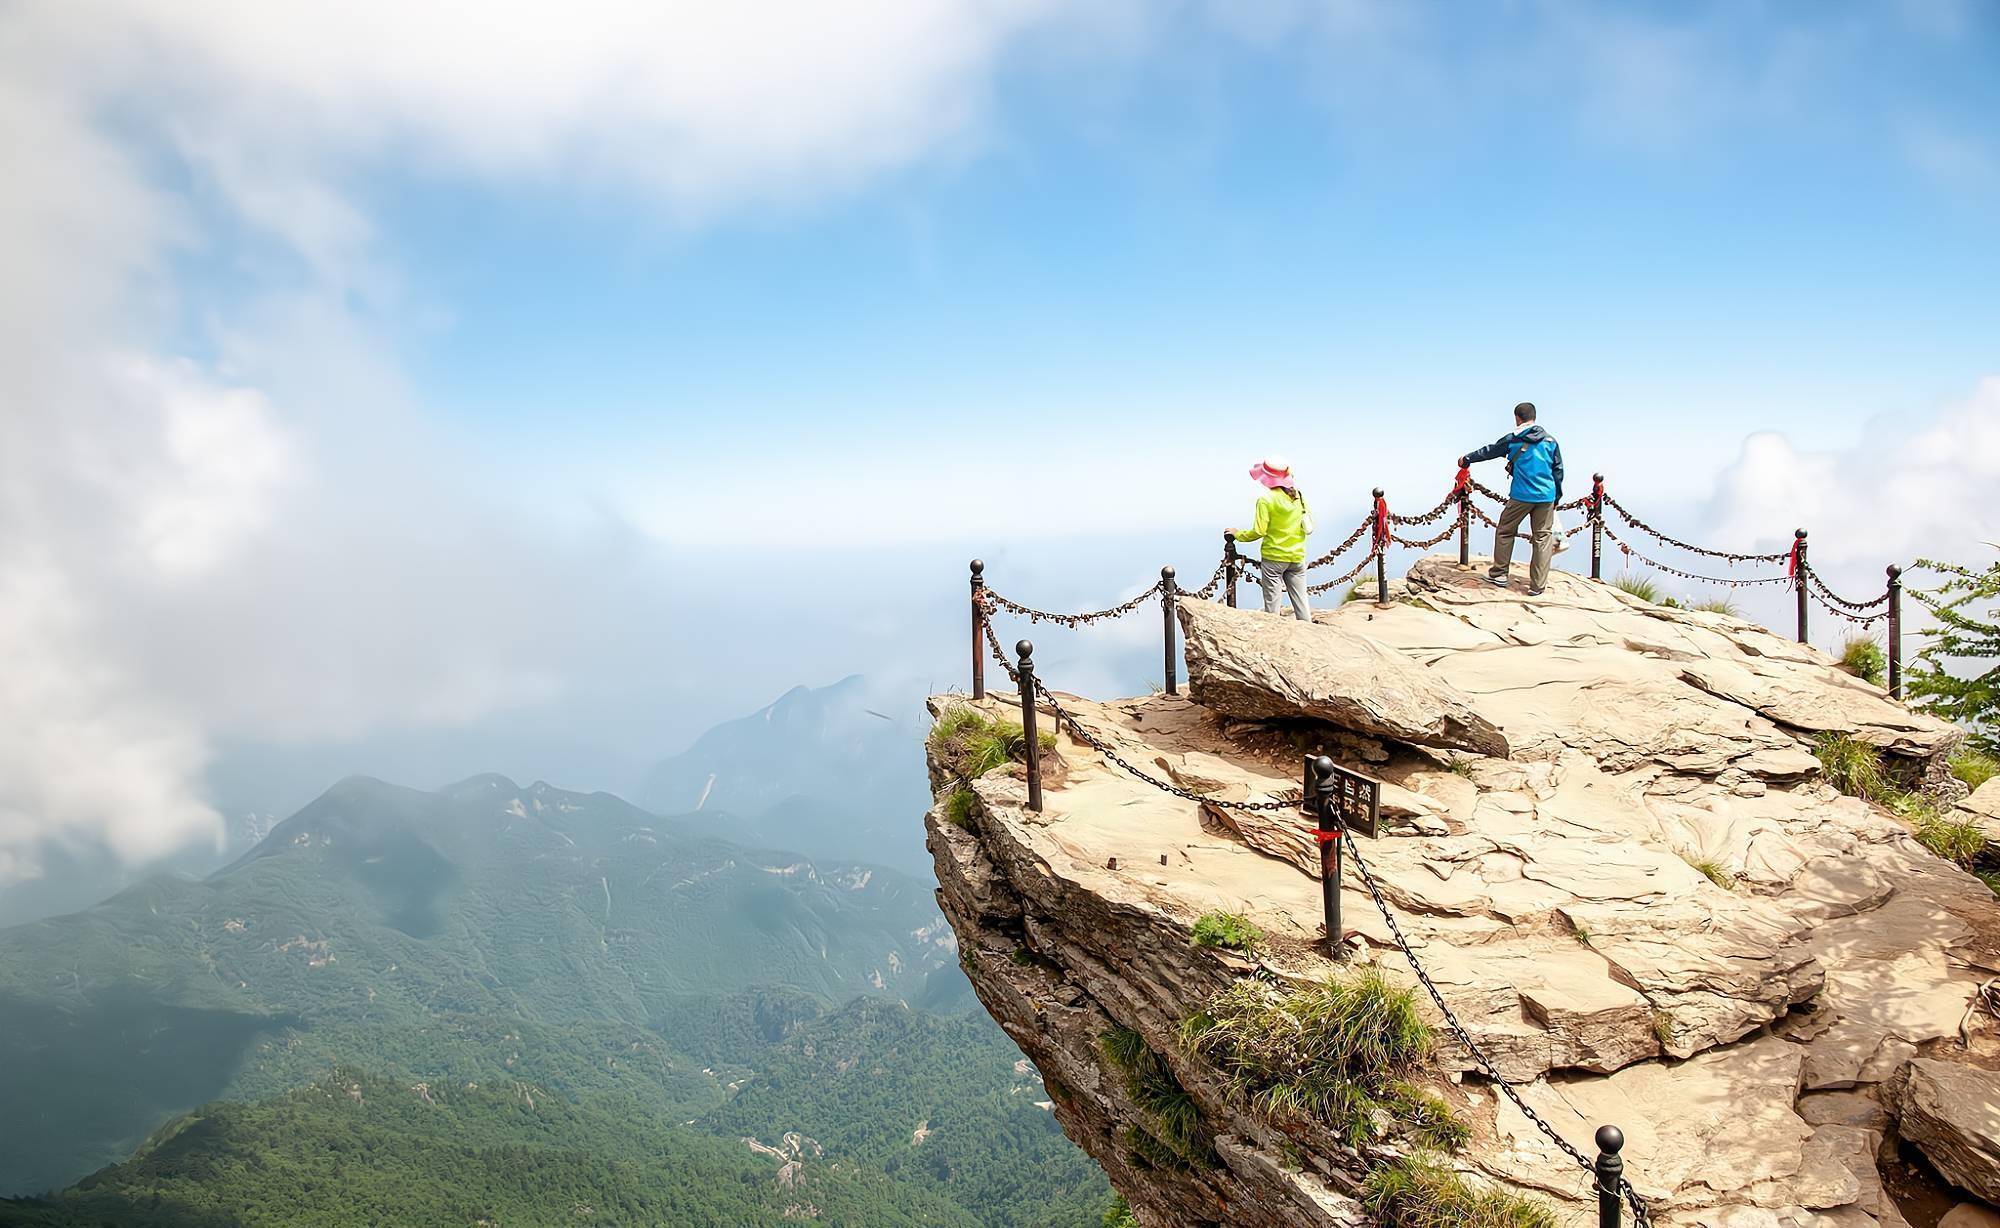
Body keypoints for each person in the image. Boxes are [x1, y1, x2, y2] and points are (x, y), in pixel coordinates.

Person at [1459, 402, 1564, 595]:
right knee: (1542, 537)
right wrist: (1556, 496)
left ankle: (1499, 574)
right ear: (1535, 417)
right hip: (1546, 495)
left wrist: (1467, 459)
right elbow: (1558, 470)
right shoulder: (1550, 441)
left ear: (1517, 418)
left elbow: (1489, 451)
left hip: (1521, 495)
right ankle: (1538, 586)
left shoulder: (1514, 439)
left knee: (1505, 530)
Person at [1230, 456, 1313, 620]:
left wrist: (1237, 534)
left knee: (1272, 608)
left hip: (1274, 559)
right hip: (1297, 557)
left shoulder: (1266, 500)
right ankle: (1309, 635)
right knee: (1302, 604)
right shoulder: (1298, 496)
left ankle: (1274, 641)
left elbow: (1259, 531)